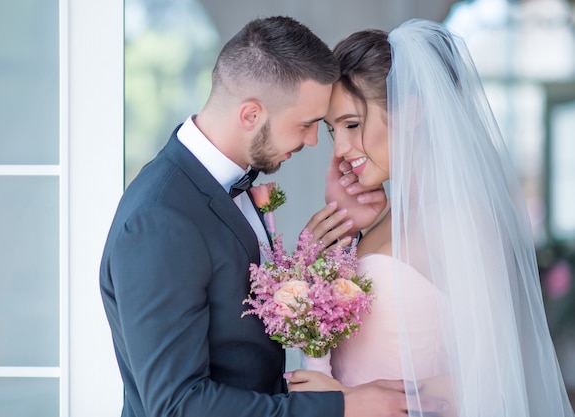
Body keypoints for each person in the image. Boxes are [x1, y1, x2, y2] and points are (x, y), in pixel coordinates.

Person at [99, 15, 445, 417]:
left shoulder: (231, 185)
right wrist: (338, 406)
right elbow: (177, 406)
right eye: (307, 124)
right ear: (251, 115)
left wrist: (337, 237)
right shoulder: (160, 220)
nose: (316, 142)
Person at [286, 18, 575, 417]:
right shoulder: (378, 223)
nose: (340, 150)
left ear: (413, 112)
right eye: (335, 131)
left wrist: (347, 400)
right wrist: (343, 236)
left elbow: (489, 379)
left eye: (352, 124)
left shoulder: (463, 222)